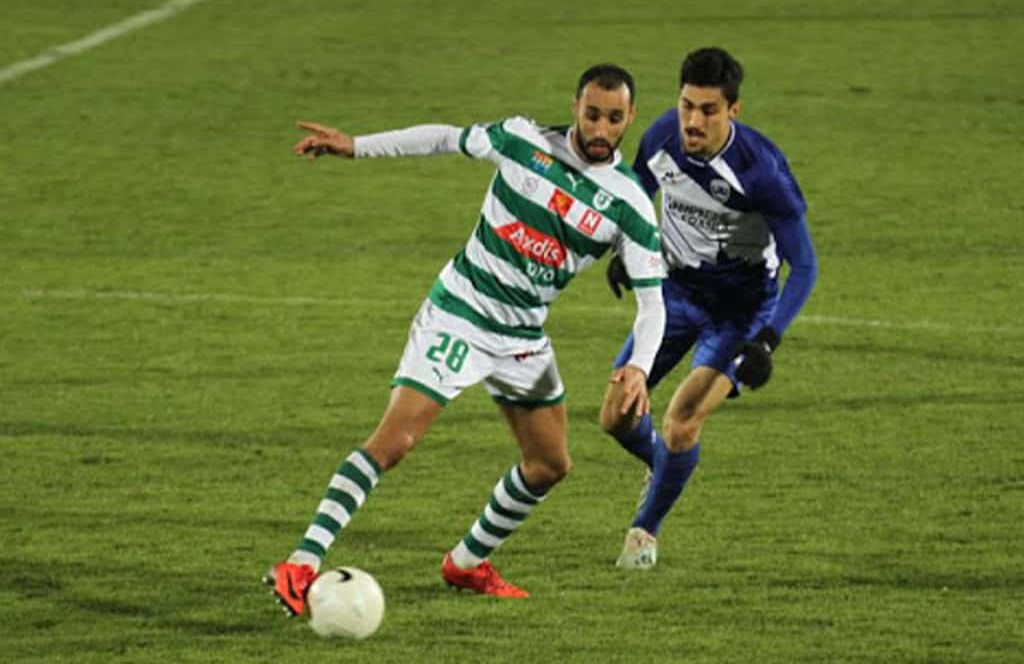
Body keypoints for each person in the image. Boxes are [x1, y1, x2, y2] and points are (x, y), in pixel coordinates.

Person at [265, 64, 667, 613]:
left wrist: (640, 365)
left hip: (522, 337)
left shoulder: (629, 204)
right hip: (460, 313)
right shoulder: (522, 141)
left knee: (549, 464)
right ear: (575, 105)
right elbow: (443, 138)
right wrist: (357, 146)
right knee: (395, 441)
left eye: (613, 119)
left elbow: (653, 304)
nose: (600, 129)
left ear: (630, 117)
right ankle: (301, 563)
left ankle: (466, 563)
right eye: (592, 114)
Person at [600, 47, 818, 569]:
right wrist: (624, 249)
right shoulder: (661, 138)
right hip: (675, 293)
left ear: (733, 111)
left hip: (741, 311)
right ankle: (667, 467)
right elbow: (636, 195)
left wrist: (767, 340)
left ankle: (644, 535)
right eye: (686, 106)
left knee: (681, 422)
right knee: (615, 416)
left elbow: (805, 265)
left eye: (708, 110)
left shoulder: (760, 172)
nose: (693, 121)